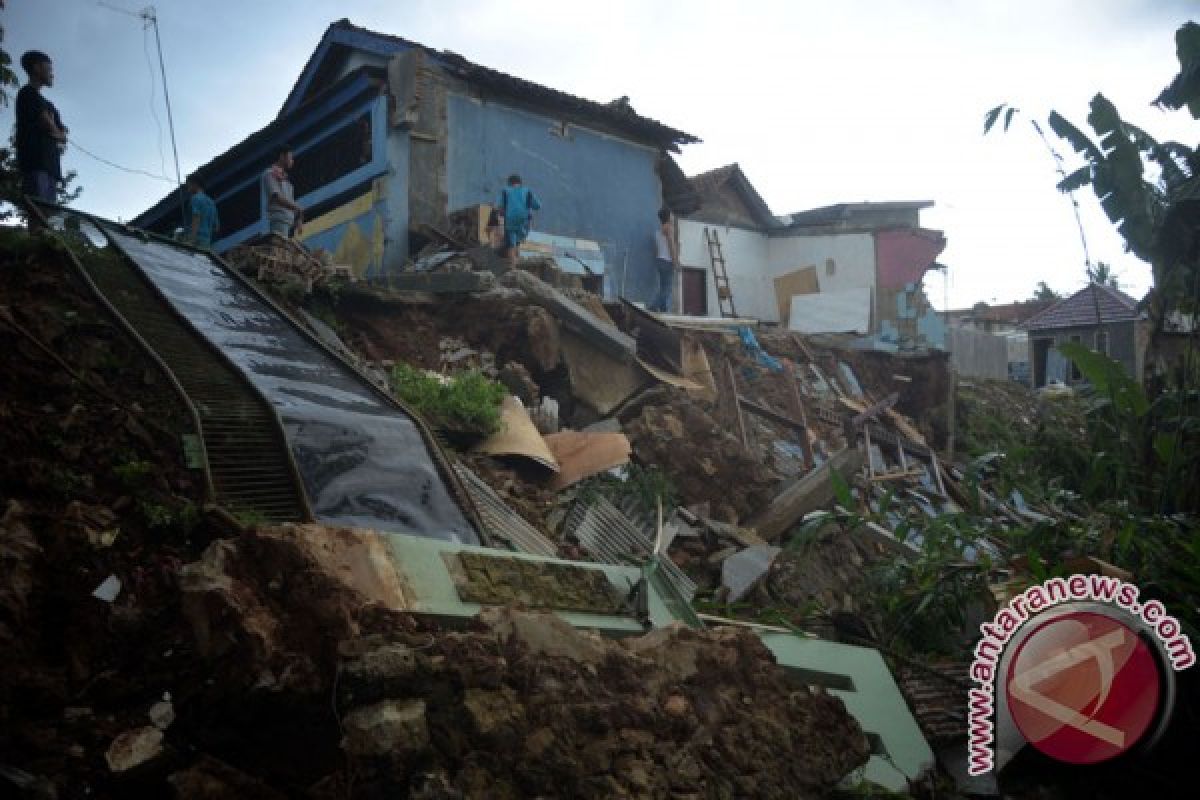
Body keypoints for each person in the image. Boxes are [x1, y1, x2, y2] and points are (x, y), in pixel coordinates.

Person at [15, 50, 68, 207]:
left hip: (51, 167)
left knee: (48, 217)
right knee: (37, 214)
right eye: (49, 69)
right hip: (35, 164)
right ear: (37, 68)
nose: (52, 74)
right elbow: (47, 125)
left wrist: (55, 130)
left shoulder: (49, 105)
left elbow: (63, 135)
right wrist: (54, 129)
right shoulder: (27, 93)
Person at [496, 174, 540, 268]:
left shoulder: (505, 191)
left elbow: (500, 208)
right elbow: (537, 206)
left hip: (511, 221)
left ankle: (512, 268)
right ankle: (517, 264)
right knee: (517, 242)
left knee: (511, 245)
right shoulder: (527, 191)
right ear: (520, 183)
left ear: (509, 183)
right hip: (524, 222)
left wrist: (501, 216)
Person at [262, 144, 303, 238]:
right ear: (282, 156)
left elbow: (291, 203)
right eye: (290, 157)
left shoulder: (286, 180)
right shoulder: (269, 174)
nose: (292, 161)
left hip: (289, 222)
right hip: (279, 219)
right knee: (280, 246)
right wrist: (298, 208)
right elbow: (276, 197)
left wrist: (298, 217)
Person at [650, 208, 679, 312]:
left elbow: (658, 249)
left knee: (663, 287)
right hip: (667, 262)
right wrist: (675, 261)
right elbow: (671, 245)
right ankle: (653, 306)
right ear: (668, 216)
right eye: (671, 214)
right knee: (667, 290)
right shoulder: (669, 228)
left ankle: (663, 310)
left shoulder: (658, 231)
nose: (672, 216)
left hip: (660, 261)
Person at [184, 175, 220, 248]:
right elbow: (216, 227)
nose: (187, 189)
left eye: (188, 185)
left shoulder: (195, 198)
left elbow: (196, 218)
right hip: (207, 242)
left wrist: (190, 241)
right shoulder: (211, 202)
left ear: (195, 184)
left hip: (196, 241)